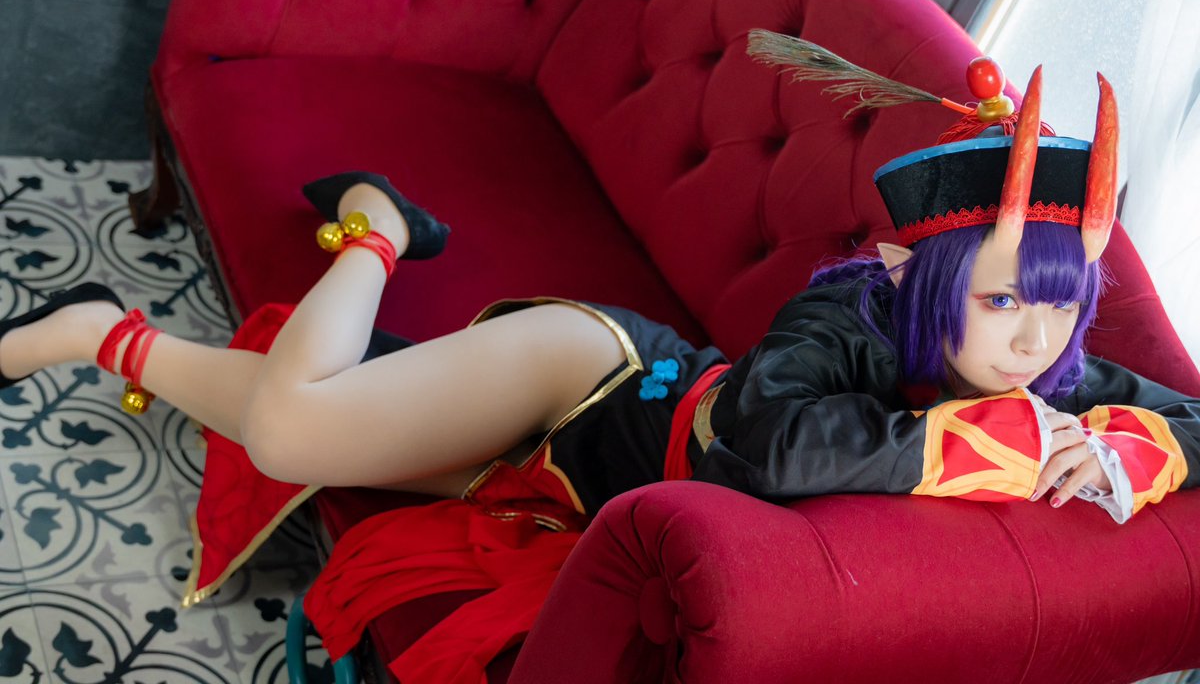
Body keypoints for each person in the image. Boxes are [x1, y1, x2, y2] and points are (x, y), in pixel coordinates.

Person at [0, 42, 1197, 672]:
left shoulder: (1046, 370)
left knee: (304, 414)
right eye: (1002, 300)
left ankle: (103, 329)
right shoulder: (847, 316)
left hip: (572, 492)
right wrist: (1005, 442)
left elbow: (1189, 419)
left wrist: (1123, 450)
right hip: (593, 378)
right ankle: (381, 226)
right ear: (915, 273)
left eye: (1063, 308)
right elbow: (776, 443)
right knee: (292, 427)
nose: (1034, 340)